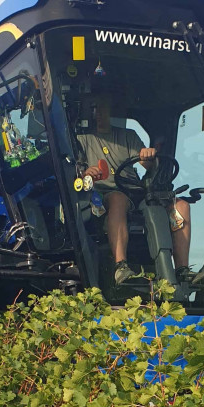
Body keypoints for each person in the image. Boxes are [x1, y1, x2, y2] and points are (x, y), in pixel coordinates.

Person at [75, 91, 191, 284]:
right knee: (118, 199)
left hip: (137, 191)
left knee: (182, 206)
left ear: (111, 111)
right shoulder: (83, 140)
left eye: (104, 109)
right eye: (96, 109)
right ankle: (121, 267)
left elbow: (148, 165)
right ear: (90, 112)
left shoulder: (128, 136)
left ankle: (181, 271)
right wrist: (87, 173)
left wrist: (149, 156)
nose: (100, 114)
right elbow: (77, 174)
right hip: (104, 195)